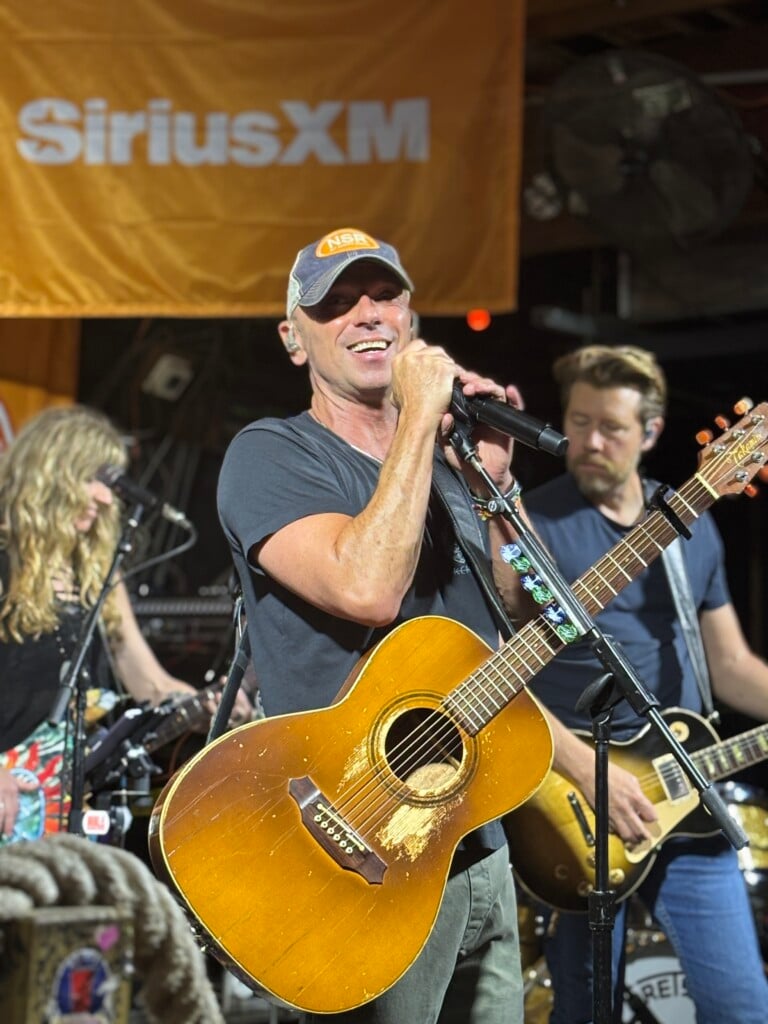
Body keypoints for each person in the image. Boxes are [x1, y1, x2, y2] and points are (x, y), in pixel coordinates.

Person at [217, 226, 543, 1024]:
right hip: (356, 851)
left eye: (384, 296)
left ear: (411, 320)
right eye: (336, 304)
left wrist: (495, 488)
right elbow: (367, 588)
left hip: (474, 841)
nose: (366, 314)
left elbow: (527, 612)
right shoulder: (270, 454)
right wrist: (418, 418)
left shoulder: (445, 468)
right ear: (295, 340)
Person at [523, 345, 768, 1023]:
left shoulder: (690, 522)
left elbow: (731, 668)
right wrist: (572, 764)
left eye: (612, 428)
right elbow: (491, 668)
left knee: (742, 1007)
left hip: (685, 792)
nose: (589, 442)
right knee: (582, 1009)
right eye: (577, 422)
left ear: (652, 433)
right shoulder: (530, 525)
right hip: (577, 806)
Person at [0, 404, 250, 844]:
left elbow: (148, 681)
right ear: (49, 472)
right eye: (92, 478)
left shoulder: (97, 576)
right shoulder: (6, 562)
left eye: (110, 484)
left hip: (71, 798)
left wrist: (213, 705)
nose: (104, 497)